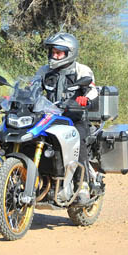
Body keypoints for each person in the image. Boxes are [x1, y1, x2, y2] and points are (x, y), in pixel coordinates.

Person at [34, 32, 99, 202]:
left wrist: (85, 99)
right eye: (53, 52)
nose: (54, 56)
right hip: (50, 118)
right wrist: (19, 96)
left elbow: (92, 90)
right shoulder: (44, 71)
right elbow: (32, 87)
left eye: (58, 52)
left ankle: (82, 185)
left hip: (74, 118)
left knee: (78, 140)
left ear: (70, 53)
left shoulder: (81, 70)